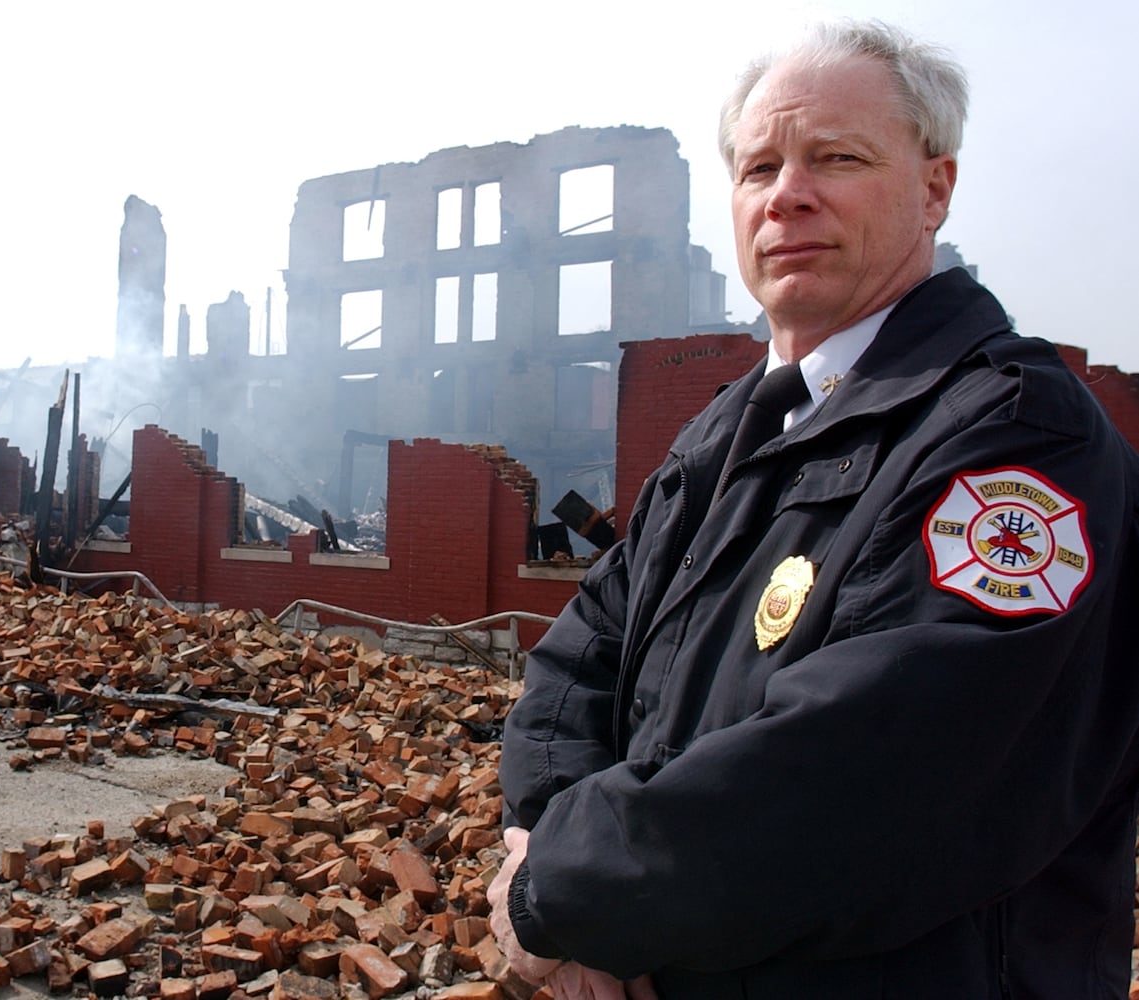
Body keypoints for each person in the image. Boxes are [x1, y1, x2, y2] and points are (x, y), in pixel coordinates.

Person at [488, 19, 1139, 1000]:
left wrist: (561, 895)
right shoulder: (725, 436)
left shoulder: (1012, 436)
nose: (787, 194)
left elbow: (868, 774)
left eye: (836, 157)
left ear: (933, 187)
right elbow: (580, 656)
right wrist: (543, 842)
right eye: (758, 168)